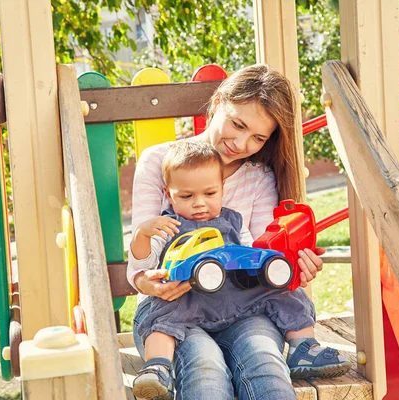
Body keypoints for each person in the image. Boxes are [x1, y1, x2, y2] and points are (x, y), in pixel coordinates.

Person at [127, 64, 339, 400]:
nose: (241, 143)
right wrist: (144, 281)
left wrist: (293, 266)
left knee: (264, 361)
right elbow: (143, 256)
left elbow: (259, 253)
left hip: (242, 307)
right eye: (238, 124)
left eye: (258, 137)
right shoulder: (159, 162)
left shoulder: (258, 177)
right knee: (205, 367)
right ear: (217, 104)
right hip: (173, 312)